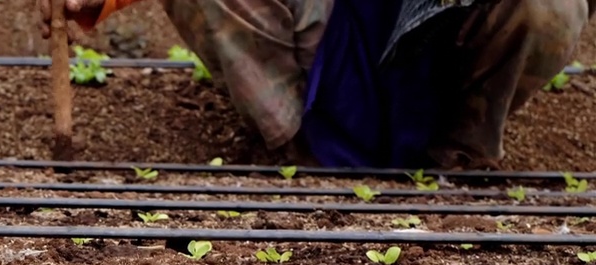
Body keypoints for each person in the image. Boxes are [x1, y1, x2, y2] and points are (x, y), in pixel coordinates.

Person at [41, 0, 593, 168]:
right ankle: (297, 152)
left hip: (459, 35)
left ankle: (459, 156)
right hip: (325, 27)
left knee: (550, 8)